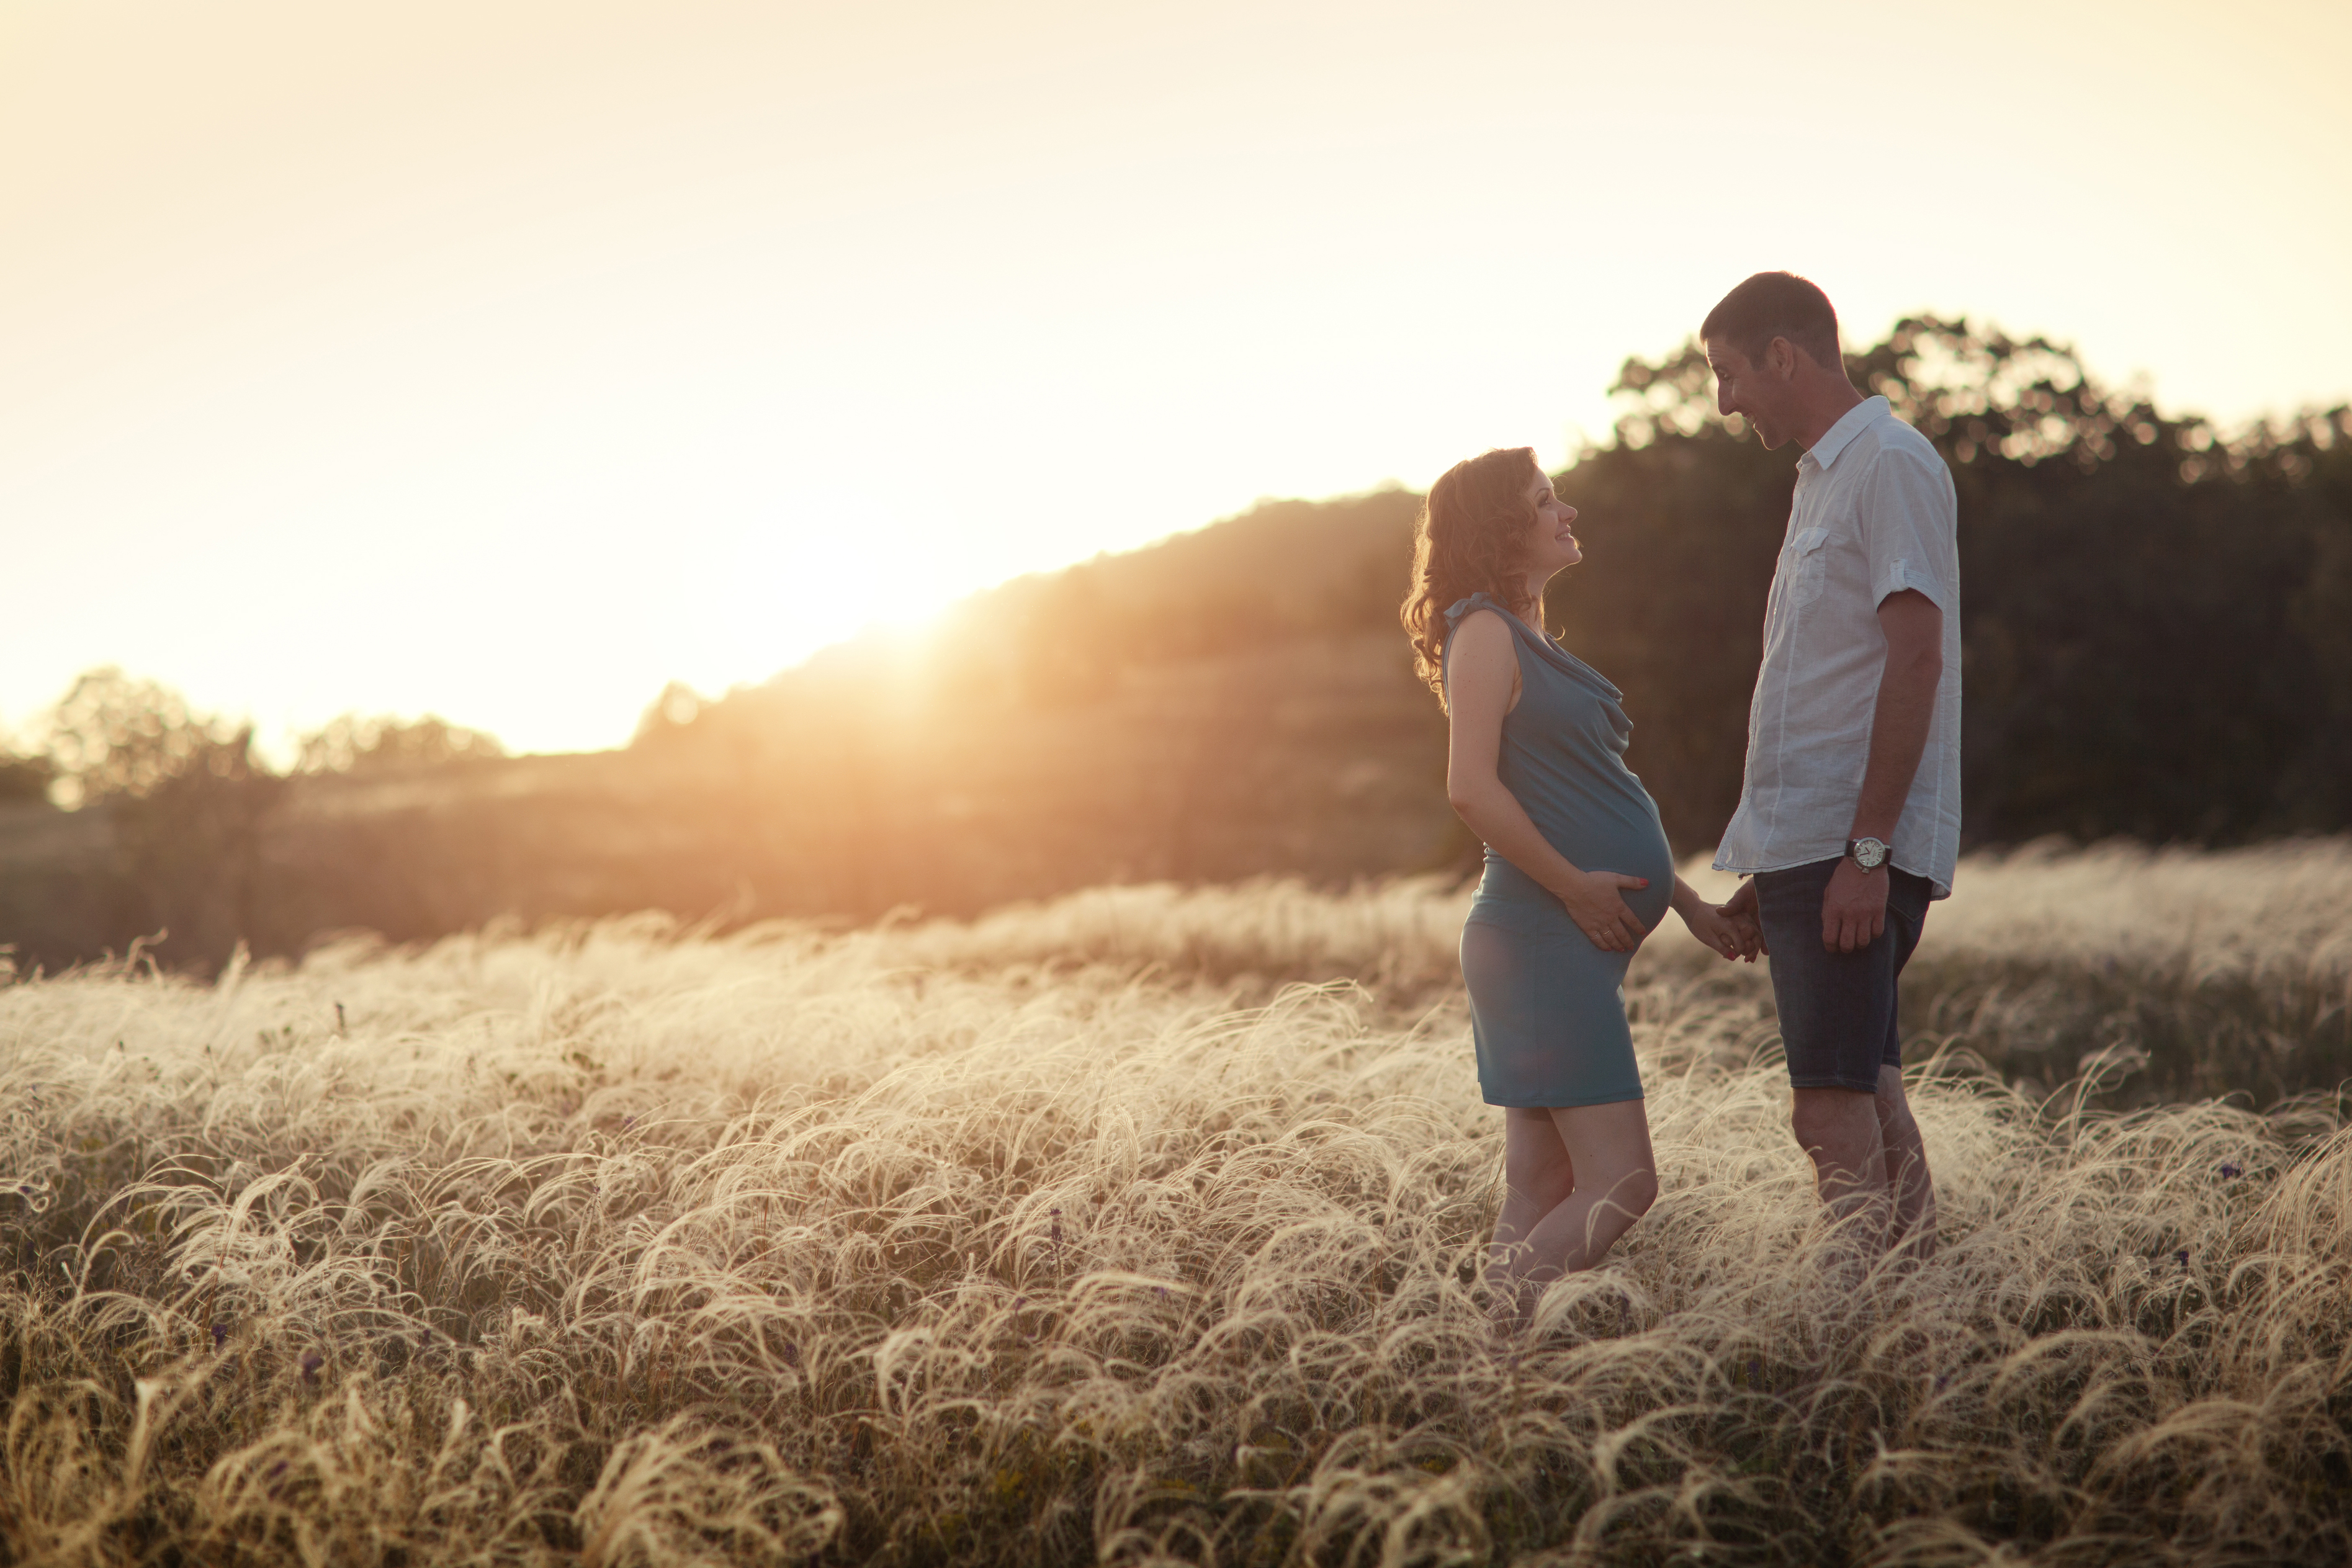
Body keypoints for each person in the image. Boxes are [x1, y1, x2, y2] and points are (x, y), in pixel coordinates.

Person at [1401, 446, 1749, 1332]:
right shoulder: (1480, 632)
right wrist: (1577, 894)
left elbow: (1592, 801)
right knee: (1624, 1182)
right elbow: (1470, 790)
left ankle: (1504, 1384)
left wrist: (1683, 905)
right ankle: (1494, 1343)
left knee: (1542, 1183)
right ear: (1501, 529)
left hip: (1556, 942)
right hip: (1535, 938)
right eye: (1547, 501)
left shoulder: (1527, 639)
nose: (1569, 514)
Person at [1701, 271, 1962, 1265]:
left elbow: (1917, 658)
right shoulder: (1819, 480)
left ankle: (1850, 1360)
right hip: (1810, 849)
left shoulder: (1888, 463)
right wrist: (1770, 870)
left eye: (1729, 375)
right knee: (1872, 1094)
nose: (1724, 402)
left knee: (1828, 1117)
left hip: (1852, 848)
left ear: (1784, 355)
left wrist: (1863, 849)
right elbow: (1815, 688)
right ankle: (1920, 1346)